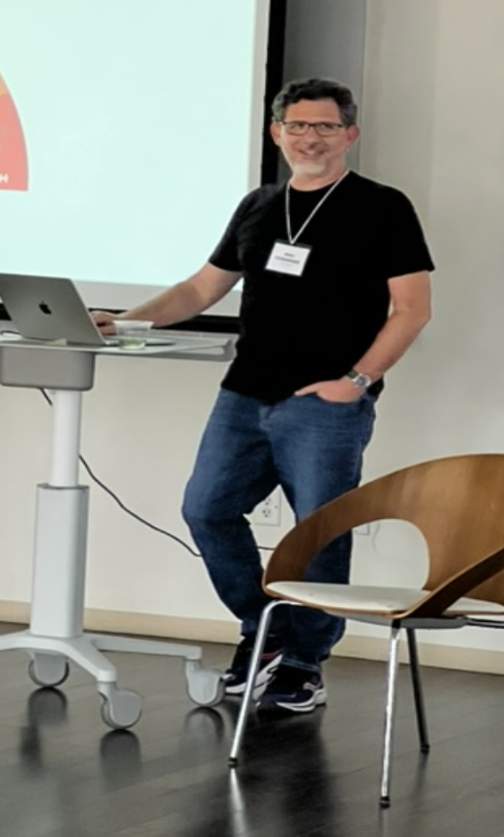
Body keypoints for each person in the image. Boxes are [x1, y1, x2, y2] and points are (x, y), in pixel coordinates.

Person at [93, 78, 433, 713]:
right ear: (277, 134)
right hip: (244, 394)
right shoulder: (258, 204)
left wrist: (354, 383)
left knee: (319, 533)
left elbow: (412, 309)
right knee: (207, 509)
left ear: (349, 135)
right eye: (298, 126)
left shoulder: (382, 207)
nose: (311, 137)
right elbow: (200, 290)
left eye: (326, 127)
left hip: (325, 403)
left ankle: (305, 661)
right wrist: (129, 320)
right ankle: (268, 629)